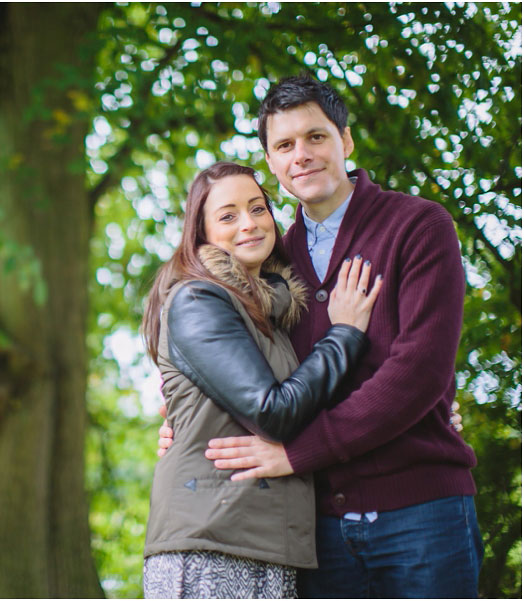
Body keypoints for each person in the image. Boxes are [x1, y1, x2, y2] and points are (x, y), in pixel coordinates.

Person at [159, 75, 483, 598]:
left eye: (316, 137)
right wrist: (184, 423)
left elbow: (420, 372)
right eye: (284, 145)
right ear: (270, 162)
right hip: (320, 534)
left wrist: (297, 453)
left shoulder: (418, 226)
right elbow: (233, 363)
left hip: (422, 513)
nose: (302, 155)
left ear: (346, 141)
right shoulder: (271, 261)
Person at [141, 160, 382, 599]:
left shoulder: (270, 312)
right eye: (228, 216)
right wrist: (344, 333)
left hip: (267, 540)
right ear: (202, 234)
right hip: (211, 540)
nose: (249, 224)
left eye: (257, 208)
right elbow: (273, 412)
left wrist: (435, 410)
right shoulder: (198, 298)